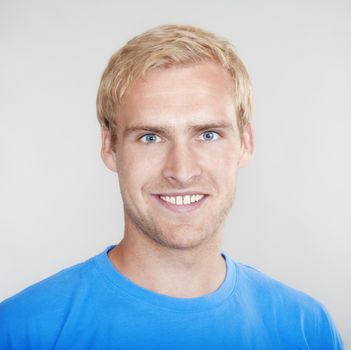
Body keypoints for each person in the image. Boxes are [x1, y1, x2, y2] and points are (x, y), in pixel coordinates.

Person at [0, 24, 343, 349]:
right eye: (150, 137)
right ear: (110, 148)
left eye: (208, 135)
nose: (181, 170)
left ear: (245, 143)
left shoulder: (307, 329)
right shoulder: (21, 331)